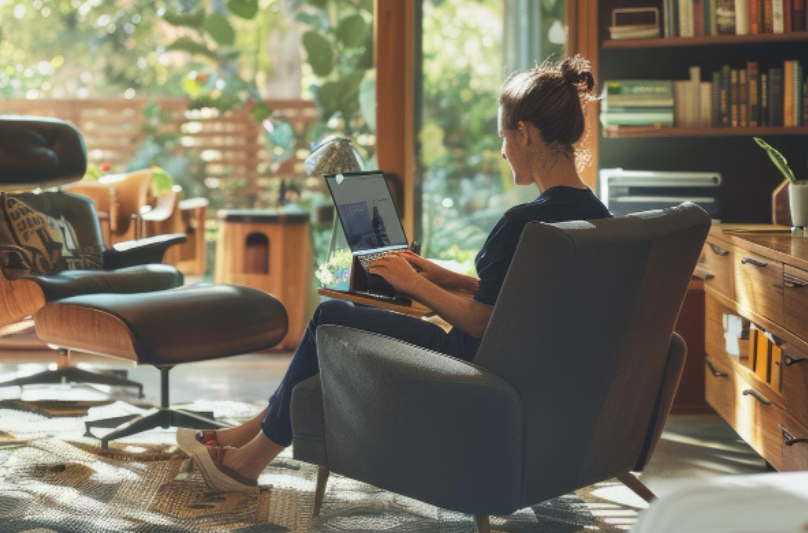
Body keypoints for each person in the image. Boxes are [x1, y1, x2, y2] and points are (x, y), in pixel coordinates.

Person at [179, 55, 612, 491]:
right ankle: (248, 435)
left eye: (503, 136)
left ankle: (247, 463)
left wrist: (413, 284)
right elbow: (524, 298)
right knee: (338, 316)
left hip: (471, 369)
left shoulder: (523, 222)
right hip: (531, 377)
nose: (502, 150)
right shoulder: (597, 217)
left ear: (525, 132)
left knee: (331, 316)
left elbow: (482, 321)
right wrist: (440, 275)